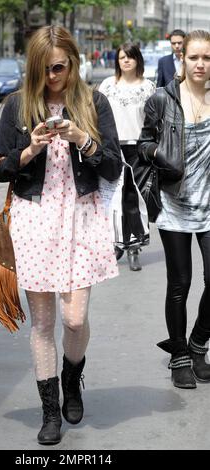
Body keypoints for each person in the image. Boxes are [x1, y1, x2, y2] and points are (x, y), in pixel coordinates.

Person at [0, 25, 122, 444]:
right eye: (44, 70)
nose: (52, 77)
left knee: (74, 317)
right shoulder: (17, 105)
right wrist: (29, 149)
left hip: (81, 218)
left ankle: (72, 377)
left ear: (73, 62)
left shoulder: (92, 101)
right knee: (44, 322)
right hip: (35, 220)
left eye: (59, 68)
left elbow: (114, 167)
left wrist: (83, 139)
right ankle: (51, 413)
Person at [138, 30, 210, 389]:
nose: (200, 63)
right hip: (173, 205)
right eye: (195, 57)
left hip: (209, 205)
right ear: (182, 58)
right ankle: (180, 355)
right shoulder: (163, 100)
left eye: (207, 58)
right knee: (179, 283)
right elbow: (143, 143)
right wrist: (157, 154)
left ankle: (198, 343)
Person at [99, 42, 156, 271]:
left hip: (138, 149)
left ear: (137, 60)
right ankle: (116, 244)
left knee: (133, 199)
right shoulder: (107, 85)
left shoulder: (149, 87)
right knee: (113, 199)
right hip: (112, 147)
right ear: (117, 61)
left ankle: (134, 247)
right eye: (122, 57)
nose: (126, 61)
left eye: (130, 57)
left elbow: (154, 121)